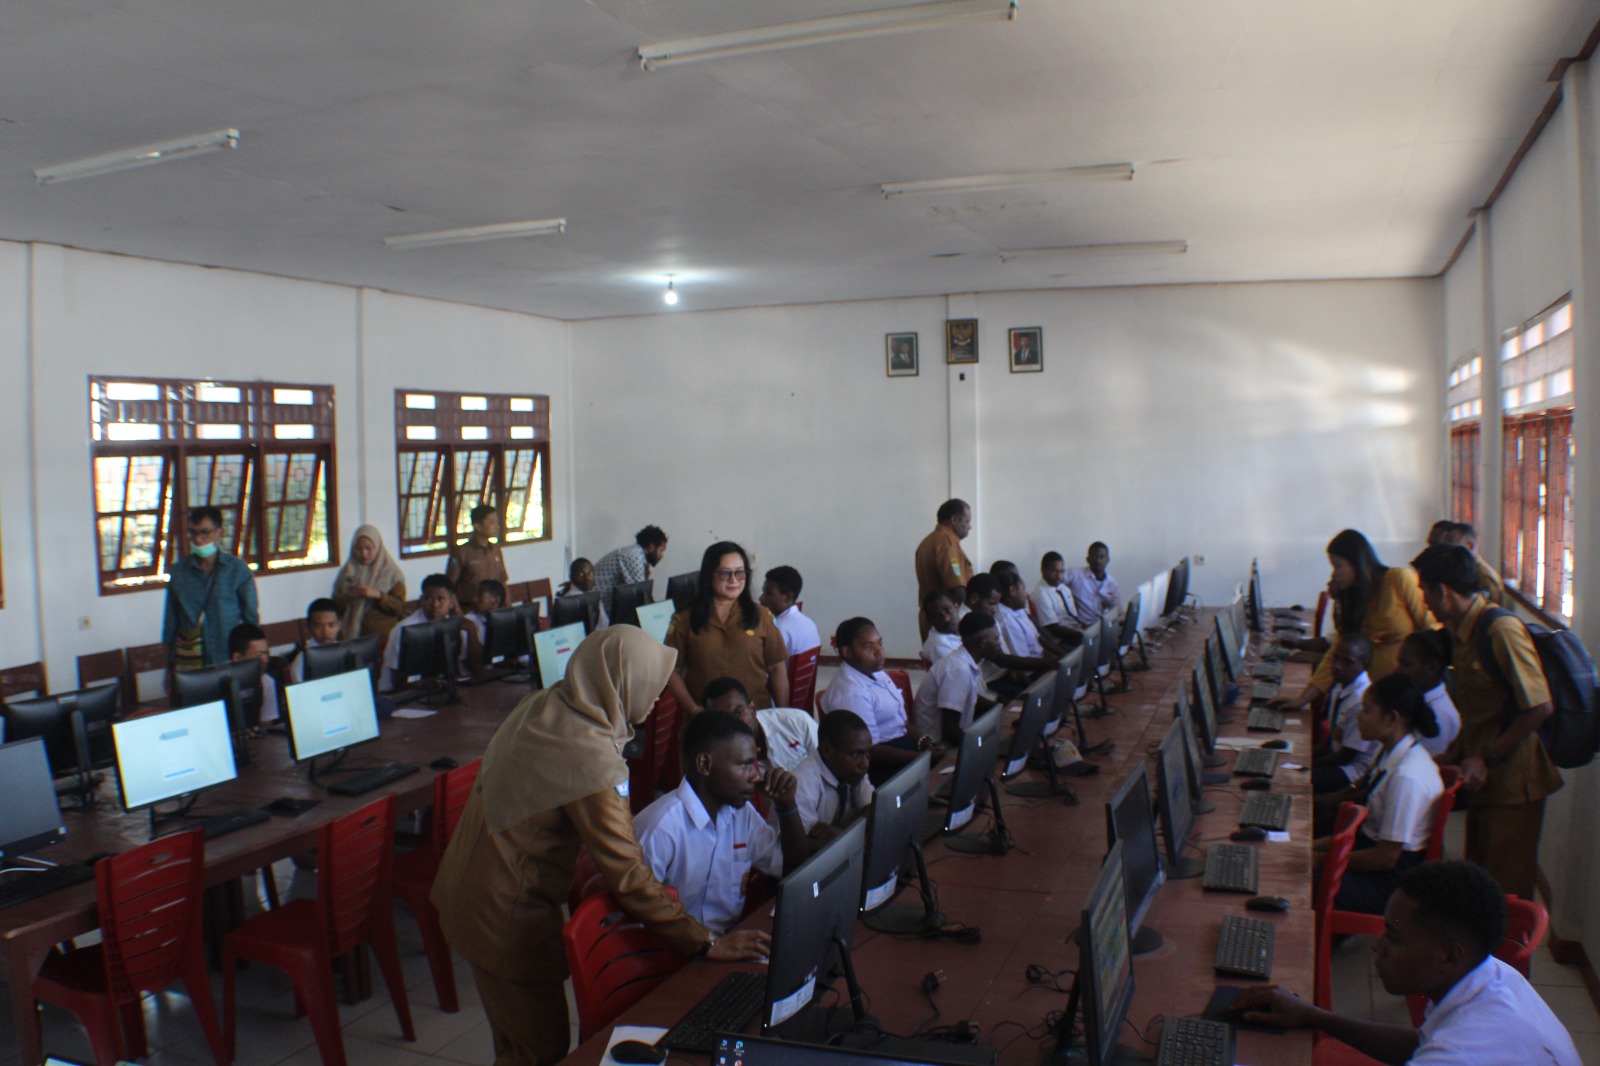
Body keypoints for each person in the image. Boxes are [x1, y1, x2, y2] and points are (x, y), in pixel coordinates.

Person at [432, 628, 768, 1066]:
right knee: (539, 1050)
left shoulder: (549, 702)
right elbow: (628, 874)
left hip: (469, 886)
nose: (658, 696)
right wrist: (704, 941)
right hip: (505, 911)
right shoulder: (591, 760)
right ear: (619, 681)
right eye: (650, 684)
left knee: (515, 1043)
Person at [1231, 861, 1580, 1066]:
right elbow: (1422, 1042)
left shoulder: (1460, 1053)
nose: (1377, 945)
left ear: (1449, 956)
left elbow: (1442, 1051)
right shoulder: (1491, 975)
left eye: (1394, 938)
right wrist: (1313, 1016)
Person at [1412, 544, 1559, 899]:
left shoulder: (1500, 630)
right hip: (1483, 777)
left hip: (1514, 782)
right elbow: (1482, 707)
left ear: (1443, 591)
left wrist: (1485, 757)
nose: (1424, 602)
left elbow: (1539, 707)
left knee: (1506, 891)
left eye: (1425, 591)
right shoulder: (1462, 631)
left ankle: (1517, 939)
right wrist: (1456, 751)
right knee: (1479, 882)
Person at [633, 710, 810, 934]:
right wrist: (711, 945)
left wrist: (786, 806)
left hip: (725, 939)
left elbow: (792, 869)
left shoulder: (741, 814)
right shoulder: (662, 828)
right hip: (676, 947)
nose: (755, 776)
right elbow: (639, 921)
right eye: (745, 765)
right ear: (705, 765)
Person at [1315, 674, 1444, 914]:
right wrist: (1314, 848)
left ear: (1391, 718)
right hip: (1371, 850)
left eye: (1366, 710)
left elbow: (1385, 858)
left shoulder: (1407, 777)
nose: (1359, 717)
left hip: (1389, 883)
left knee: (1304, 878)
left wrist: (1318, 858)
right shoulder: (1392, 751)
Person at [1276, 529, 1434, 712]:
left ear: (1357, 562)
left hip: (1408, 695)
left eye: (1338, 566)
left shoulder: (1399, 579)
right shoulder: (1355, 600)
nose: (1334, 575)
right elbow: (1337, 652)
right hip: (1375, 698)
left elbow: (1431, 631)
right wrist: (1302, 699)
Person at [664, 542, 789, 714]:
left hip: (755, 717)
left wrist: (782, 714)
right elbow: (673, 671)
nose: (734, 579)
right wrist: (694, 710)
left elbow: (776, 668)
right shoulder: (684, 619)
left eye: (740, 572)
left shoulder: (762, 616)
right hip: (705, 719)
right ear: (709, 575)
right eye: (725, 573)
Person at [820, 616, 942, 782]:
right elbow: (870, 751)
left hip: (904, 748)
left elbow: (900, 722)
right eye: (868, 647)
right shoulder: (851, 693)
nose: (879, 651)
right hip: (879, 766)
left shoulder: (876, 673)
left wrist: (924, 741)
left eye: (880, 643)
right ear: (847, 652)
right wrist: (923, 759)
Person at [162, 506, 259, 672]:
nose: (197, 539)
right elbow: (171, 621)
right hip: (191, 660)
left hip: (227, 657)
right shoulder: (179, 572)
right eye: (192, 533)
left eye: (204, 532)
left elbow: (250, 617)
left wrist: (252, 658)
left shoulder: (237, 570)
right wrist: (169, 667)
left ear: (219, 533)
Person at [379, 574, 483, 691]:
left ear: (451, 602)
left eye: (441, 599)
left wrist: (471, 631)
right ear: (421, 600)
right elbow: (396, 679)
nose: (435, 605)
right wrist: (426, 685)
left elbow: (476, 667)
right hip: (398, 694)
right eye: (428, 599)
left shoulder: (454, 624)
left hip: (438, 689)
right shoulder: (403, 630)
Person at [913, 612, 1002, 745]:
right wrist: (980, 745)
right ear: (983, 643)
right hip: (938, 745)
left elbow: (972, 699)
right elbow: (950, 731)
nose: (999, 644)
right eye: (996, 639)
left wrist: (1002, 707)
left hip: (955, 736)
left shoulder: (964, 662)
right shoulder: (958, 670)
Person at [703, 676, 817, 774]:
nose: (734, 723)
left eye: (738, 713)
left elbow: (824, 765)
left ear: (752, 708)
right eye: (724, 719)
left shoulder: (797, 722)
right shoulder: (718, 758)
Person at [792, 711, 875, 845]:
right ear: (827, 750)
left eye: (867, 754)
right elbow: (800, 846)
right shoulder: (802, 784)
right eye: (855, 754)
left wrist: (842, 833)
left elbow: (873, 807)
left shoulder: (853, 771)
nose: (865, 763)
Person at [1311, 634, 1377, 796]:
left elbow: (1345, 756)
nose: (1338, 666)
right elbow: (1330, 741)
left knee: (1302, 779)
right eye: (1336, 658)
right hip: (1338, 757)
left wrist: (1307, 764)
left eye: (1348, 662)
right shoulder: (1341, 686)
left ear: (1365, 665)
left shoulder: (1361, 700)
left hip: (1352, 771)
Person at [331, 524, 407, 641]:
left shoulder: (391, 574)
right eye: (358, 549)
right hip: (349, 639)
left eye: (368, 548)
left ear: (378, 547)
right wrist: (348, 597)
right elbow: (333, 609)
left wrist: (378, 595)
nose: (363, 554)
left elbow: (400, 609)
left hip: (382, 639)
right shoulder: (346, 573)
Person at [1395, 629, 1462, 760]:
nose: (1397, 671)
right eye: (1399, 663)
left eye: (1406, 665)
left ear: (1431, 667)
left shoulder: (1441, 716)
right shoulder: (1414, 701)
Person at [914, 499, 974, 640]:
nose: (969, 526)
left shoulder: (928, 541)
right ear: (955, 520)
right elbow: (957, 588)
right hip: (945, 620)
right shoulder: (946, 543)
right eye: (967, 521)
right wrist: (976, 615)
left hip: (933, 616)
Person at [446, 504, 509, 606]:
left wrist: (508, 607)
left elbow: (502, 581)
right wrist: (458, 610)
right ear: (478, 526)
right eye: (492, 522)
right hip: (470, 608)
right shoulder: (461, 552)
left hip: (495, 607)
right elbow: (449, 586)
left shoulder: (495, 550)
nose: (497, 527)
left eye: (496, 522)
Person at [997, 571, 1069, 660]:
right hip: (1036, 666)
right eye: (1023, 589)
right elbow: (1023, 661)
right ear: (1013, 591)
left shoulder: (1019, 610)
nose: (1027, 594)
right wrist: (1053, 662)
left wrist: (1063, 654)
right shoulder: (1007, 621)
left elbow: (1038, 639)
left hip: (1044, 659)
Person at [759, 565, 821, 658]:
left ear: (787, 598)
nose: (761, 598)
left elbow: (766, 666)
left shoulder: (779, 631)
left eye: (769, 594)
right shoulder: (809, 622)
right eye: (763, 592)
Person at [1443, 521, 1507, 606]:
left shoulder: (1485, 577)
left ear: (1470, 546)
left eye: (1453, 546)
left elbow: (1489, 609)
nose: (1447, 551)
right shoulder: (1460, 568)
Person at [228, 622, 279, 728]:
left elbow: (266, 725)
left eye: (266, 653)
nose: (265, 660)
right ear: (237, 658)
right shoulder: (220, 684)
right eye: (258, 655)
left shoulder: (267, 682)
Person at [593, 525, 669, 594]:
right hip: (599, 602)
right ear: (651, 547)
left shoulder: (636, 554)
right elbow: (640, 593)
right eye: (661, 550)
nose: (661, 556)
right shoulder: (634, 557)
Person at [287, 597, 343, 684]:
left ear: (339, 625)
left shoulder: (346, 651)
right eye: (318, 627)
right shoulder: (302, 661)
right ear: (308, 627)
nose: (326, 632)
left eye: (331, 625)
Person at [1064, 542, 1119, 626]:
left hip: (1101, 625)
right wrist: (1068, 598)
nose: (1098, 561)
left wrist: (1109, 606)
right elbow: (1053, 582)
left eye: (1102, 557)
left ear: (1107, 560)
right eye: (1094, 557)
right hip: (1080, 626)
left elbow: (1118, 612)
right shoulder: (1075, 574)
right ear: (1088, 559)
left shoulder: (1112, 584)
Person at [1031, 551, 1083, 640]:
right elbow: (1053, 628)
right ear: (1043, 570)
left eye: (1061, 571)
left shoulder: (1063, 588)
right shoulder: (1041, 594)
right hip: (1062, 639)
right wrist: (1082, 636)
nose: (1058, 576)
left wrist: (1087, 629)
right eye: (1054, 571)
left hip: (1076, 631)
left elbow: (1073, 617)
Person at [556, 558, 610, 628]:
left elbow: (604, 624)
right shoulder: (570, 601)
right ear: (571, 577)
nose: (587, 578)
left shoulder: (592, 596)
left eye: (590, 573)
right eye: (581, 574)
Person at [920, 590, 962, 666]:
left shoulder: (966, 626)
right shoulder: (939, 646)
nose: (946, 619)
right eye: (937, 616)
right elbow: (959, 670)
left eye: (948, 611)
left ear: (957, 606)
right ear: (930, 620)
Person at [464, 578, 508, 648]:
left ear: (495, 602)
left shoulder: (507, 622)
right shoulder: (469, 621)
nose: (474, 599)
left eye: (479, 596)